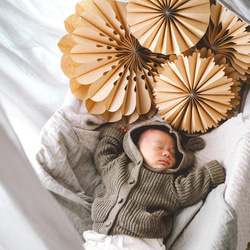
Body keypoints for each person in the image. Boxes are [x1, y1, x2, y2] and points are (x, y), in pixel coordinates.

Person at [83, 121, 226, 250]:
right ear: (135, 149)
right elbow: (104, 155)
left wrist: (210, 172)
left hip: (141, 240)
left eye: (173, 152)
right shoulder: (118, 166)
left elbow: (190, 188)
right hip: (99, 238)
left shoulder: (169, 182)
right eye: (158, 147)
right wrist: (113, 136)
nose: (167, 153)